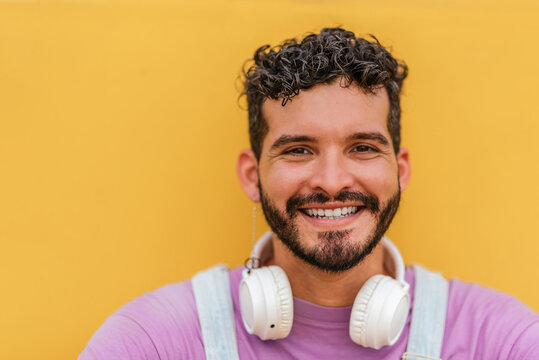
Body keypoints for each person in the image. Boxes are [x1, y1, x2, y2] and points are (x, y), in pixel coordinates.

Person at [79, 27, 539, 359]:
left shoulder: (500, 342)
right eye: (299, 150)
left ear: (399, 171)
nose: (333, 180)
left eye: (362, 147)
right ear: (251, 175)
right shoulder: (149, 342)